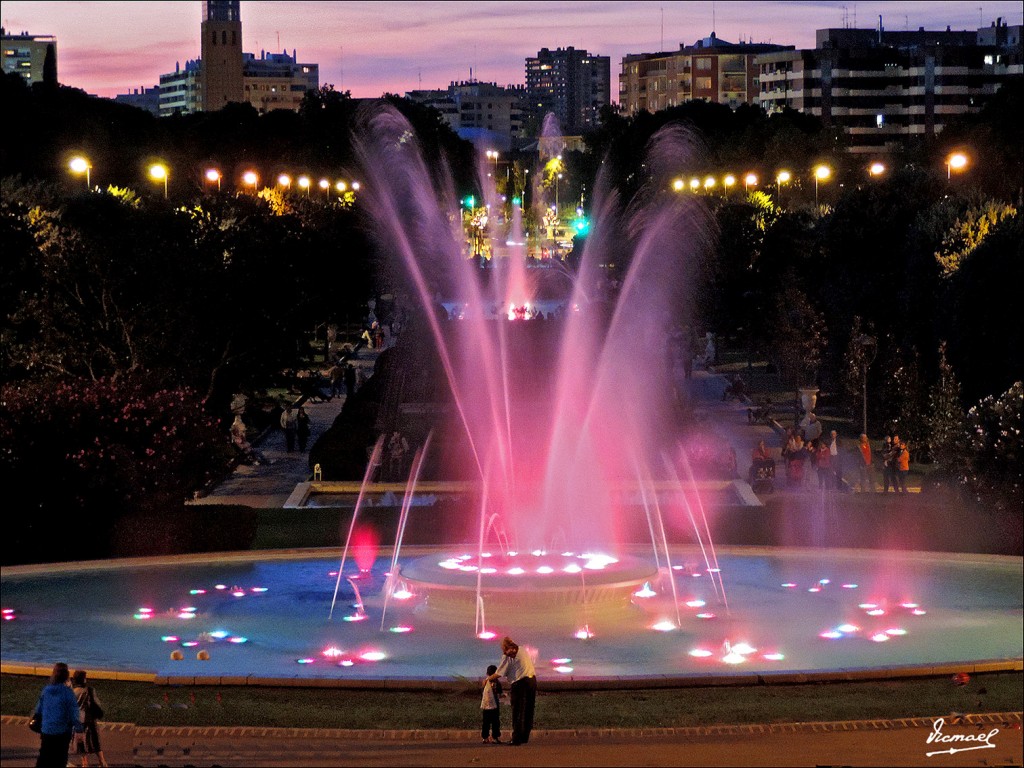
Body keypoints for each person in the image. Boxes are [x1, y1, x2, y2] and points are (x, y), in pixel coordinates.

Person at [487, 636, 536, 746]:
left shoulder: (508, 656)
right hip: (532, 681)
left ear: (505, 647)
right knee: (528, 710)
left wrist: (487, 679)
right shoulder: (522, 649)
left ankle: (516, 738)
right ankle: (524, 737)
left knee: (517, 711)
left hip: (520, 683)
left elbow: (499, 673)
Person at [32, 662, 83, 768]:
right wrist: (79, 729)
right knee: (60, 759)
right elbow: (74, 713)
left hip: (47, 730)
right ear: (67, 675)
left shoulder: (46, 690)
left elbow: (38, 710)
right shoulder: (68, 693)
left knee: (44, 758)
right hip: (62, 732)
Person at [71, 670, 107, 767]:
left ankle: (85, 763)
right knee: (95, 741)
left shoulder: (72, 692)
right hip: (90, 719)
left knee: (81, 742)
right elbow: (96, 703)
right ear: (84, 679)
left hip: (79, 721)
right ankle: (102, 761)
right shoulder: (89, 690)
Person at [480, 663, 503, 744]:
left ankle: (485, 737)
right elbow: (500, 693)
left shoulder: (485, 682)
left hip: (486, 705)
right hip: (495, 705)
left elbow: (482, 691)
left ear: (487, 673)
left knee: (485, 722)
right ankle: (494, 737)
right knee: (495, 721)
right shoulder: (497, 683)